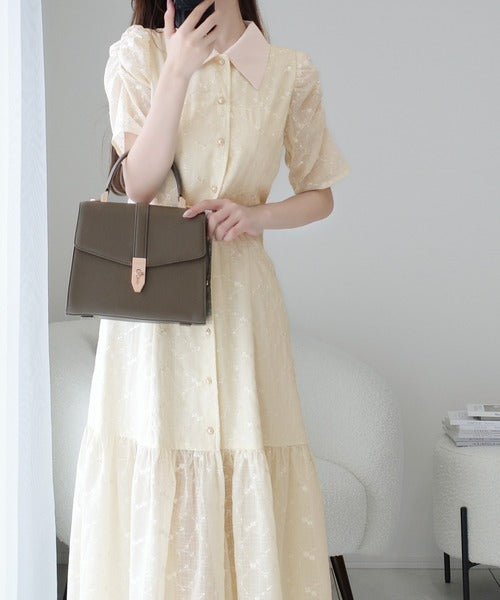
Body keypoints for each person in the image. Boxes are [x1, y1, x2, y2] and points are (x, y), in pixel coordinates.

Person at [66, 0, 351, 598]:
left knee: (245, 453)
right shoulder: (139, 54)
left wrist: (255, 215)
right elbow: (139, 184)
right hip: (154, 309)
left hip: (243, 304)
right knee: (159, 452)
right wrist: (177, 69)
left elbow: (320, 194)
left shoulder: (288, 71)